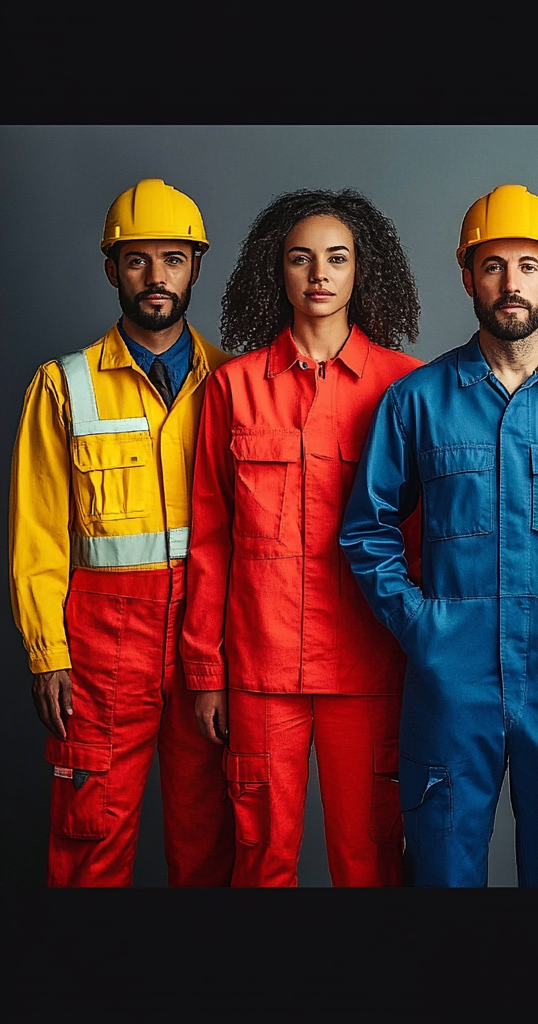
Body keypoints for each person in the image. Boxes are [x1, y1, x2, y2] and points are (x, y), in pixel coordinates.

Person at [340, 184, 538, 887]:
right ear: (467, 276)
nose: (511, 282)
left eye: (527, 264)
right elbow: (367, 529)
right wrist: (421, 624)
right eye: (493, 265)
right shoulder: (417, 402)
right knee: (443, 874)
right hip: (451, 689)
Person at [180, 189, 421, 887]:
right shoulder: (231, 389)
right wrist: (206, 670)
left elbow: (418, 541)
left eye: (336, 259)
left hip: (371, 669)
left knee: (370, 857)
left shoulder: (404, 388)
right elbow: (210, 539)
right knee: (261, 857)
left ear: (359, 274)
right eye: (300, 258)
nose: (318, 273)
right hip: (259, 672)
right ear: (275, 272)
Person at [9, 178, 235, 886]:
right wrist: (47, 653)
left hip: (207, 645)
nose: (156, 276)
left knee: (208, 838)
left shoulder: (232, 382)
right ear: (112, 269)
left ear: (196, 267)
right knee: (90, 836)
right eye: (137, 260)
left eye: (173, 258)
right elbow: (37, 532)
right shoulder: (62, 386)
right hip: (103, 651)